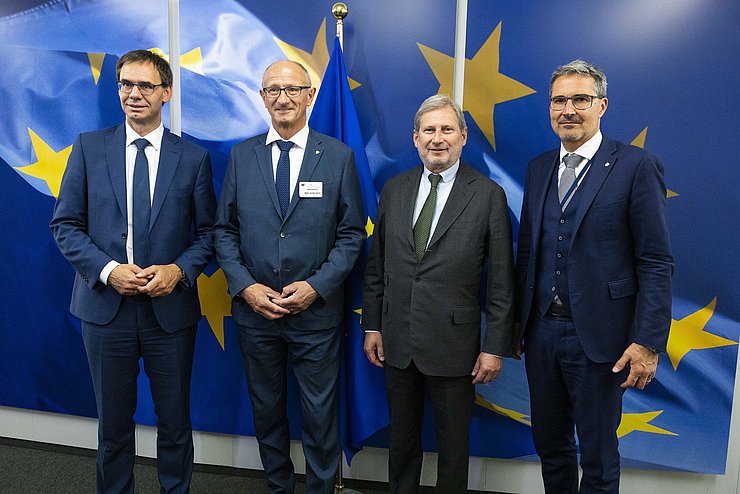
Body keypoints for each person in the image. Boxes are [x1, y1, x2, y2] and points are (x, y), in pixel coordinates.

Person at [50, 50, 217, 493]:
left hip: (171, 313)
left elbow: (209, 234)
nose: (133, 94)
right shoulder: (89, 147)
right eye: (126, 84)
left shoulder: (194, 158)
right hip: (106, 310)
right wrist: (107, 271)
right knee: (113, 428)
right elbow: (65, 225)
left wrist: (178, 271)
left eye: (145, 86)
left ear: (166, 92)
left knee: (176, 425)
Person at [515, 59, 674, 493]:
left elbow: (656, 261)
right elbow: (528, 251)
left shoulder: (637, 166)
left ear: (601, 105)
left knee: (599, 456)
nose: (569, 109)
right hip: (542, 333)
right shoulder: (538, 168)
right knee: (550, 447)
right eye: (559, 101)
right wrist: (515, 325)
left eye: (580, 100)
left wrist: (648, 342)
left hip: (604, 340)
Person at [213, 60, 365, 493]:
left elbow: (352, 234)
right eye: (273, 90)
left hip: (315, 315)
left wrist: (317, 287)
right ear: (262, 98)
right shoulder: (242, 157)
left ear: (310, 96)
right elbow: (224, 231)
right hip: (255, 315)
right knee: (267, 409)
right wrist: (245, 286)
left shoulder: (337, 157)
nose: (283, 98)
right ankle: (278, 486)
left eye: (293, 90)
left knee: (319, 415)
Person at [362, 94, 516, 493]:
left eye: (447, 129)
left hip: (456, 347)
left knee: (452, 449)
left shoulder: (487, 195)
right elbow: (377, 267)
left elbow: (501, 282)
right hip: (396, 341)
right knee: (401, 443)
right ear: (415, 138)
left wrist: (495, 346)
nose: (437, 138)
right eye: (428, 130)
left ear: (463, 136)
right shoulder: (394, 190)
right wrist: (372, 326)